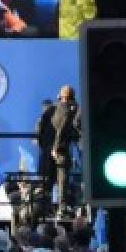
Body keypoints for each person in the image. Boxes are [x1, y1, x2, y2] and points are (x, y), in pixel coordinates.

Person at [49, 85, 80, 215]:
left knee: (61, 178)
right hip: (60, 148)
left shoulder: (59, 109)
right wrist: (56, 148)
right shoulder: (67, 110)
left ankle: (59, 206)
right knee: (62, 178)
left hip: (58, 147)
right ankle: (61, 206)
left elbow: (61, 129)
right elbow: (61, 129)